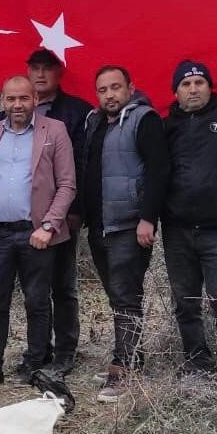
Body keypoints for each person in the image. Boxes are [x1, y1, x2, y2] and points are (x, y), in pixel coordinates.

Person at [0, 49, 91, 373]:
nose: (17, 104)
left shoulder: (55, 128)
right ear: (3, 100)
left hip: (37, 232)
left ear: (34, 99)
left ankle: (35, 363)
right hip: (1, 231)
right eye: (11, 99)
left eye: (23, 99)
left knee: (38, 300)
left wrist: (48, 225)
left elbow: (68, 184)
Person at [81, 66, 169, 403]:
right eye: (103, 90)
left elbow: (159, 169)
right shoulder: (94, 122)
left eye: (116, 88)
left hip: (130, 226)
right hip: (100, 226)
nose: (109, 95)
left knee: (125, 298)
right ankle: (129, 358)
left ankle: (126, 369)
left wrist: (148, 218)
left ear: (130, 88)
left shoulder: (144, 119)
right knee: (117, 298)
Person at [163, 60, 217, 387]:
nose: (193, 89)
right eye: (186, 85)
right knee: (186, 302)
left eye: (199, 83)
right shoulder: (165, 126)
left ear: (210, 86)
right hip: (178, 231)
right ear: (175, 92)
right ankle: (196, 363)